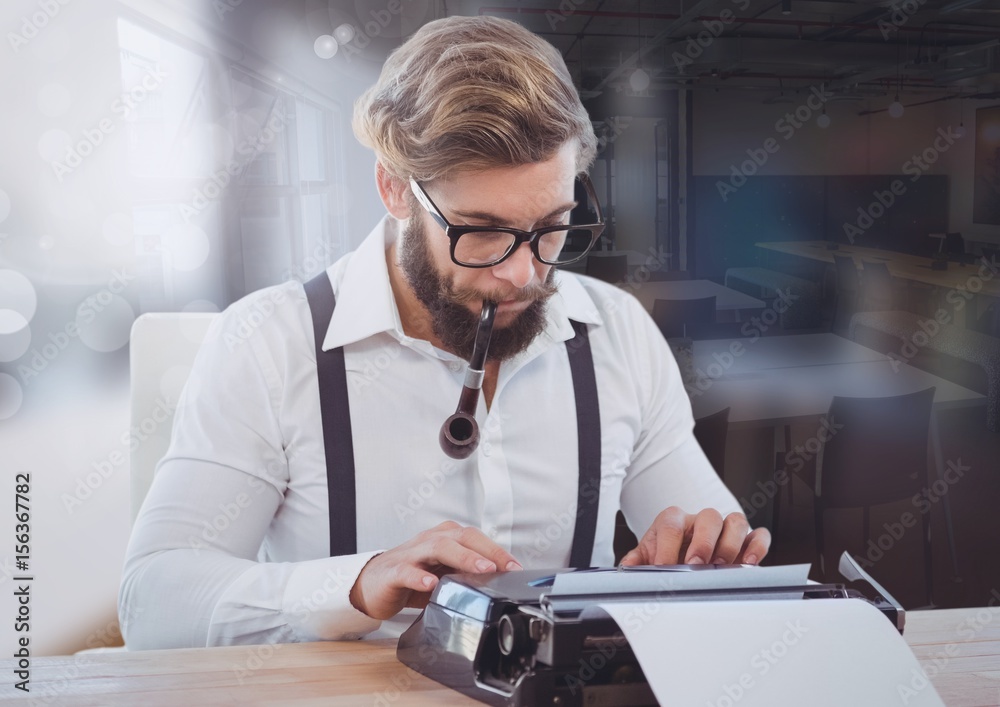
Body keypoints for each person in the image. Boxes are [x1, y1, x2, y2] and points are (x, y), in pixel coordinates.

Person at [118, 15, 769, 649]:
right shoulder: (265, 343)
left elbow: (716, 551)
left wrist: (702, 562)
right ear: (394, 190)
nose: (522, 273)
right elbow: (154, 601)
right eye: (481, 229)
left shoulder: (618, 332)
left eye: (551, 227)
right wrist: (353, 583)